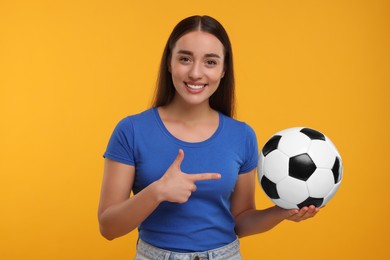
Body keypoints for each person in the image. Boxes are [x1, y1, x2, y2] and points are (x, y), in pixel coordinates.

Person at [98, 15, 320, 260]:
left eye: (210, 62)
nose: (195, 73)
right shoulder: (131, 131)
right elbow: (108, 227)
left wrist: (281, 213)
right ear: (169, 63)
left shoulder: (242, 135)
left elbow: (241, 222)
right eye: (185, 59)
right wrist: (157, 192)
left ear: (224, 69)